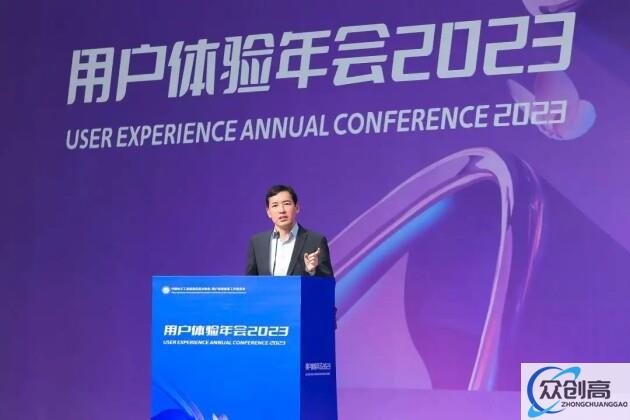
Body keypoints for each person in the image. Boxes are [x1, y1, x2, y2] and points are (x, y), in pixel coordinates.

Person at [246, 185, 334, 277]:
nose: (281, 210)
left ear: (297, 207)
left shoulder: (315, 241)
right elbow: (249, 282)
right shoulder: (257, 243)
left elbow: (328, 283)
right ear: (268, 212)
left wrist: (312, 271)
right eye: (275, 205)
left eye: (286, 204)